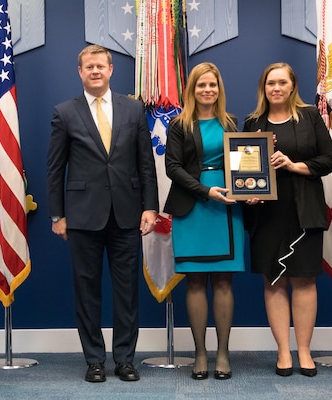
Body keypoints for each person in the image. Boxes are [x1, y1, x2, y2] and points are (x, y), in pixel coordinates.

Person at [47, 45, 158, 383]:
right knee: (87, 290)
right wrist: (57, 215)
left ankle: (125, 359)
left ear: (111, 70)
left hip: (127, 214)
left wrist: (150, 206)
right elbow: (55, 168)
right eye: (88, 66)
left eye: (100, 66)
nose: (95, 71)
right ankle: (94, 360)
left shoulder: (133, 109)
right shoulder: (65, 112)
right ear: (80, 72)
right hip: (82, 216)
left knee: (127, 292)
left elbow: (145, 164)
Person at [243, 62, 332, 377]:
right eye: (271, 83)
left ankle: (305, 352)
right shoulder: (252, 122)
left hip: (303, 209)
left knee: (305, 279)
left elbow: (328, 160)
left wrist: (292, 165)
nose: (277, 88)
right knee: (273, 279)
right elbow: (244, 170)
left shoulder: (309, 116)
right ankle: (284, 352)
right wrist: (248, 193)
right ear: (264, 87)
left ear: (293, 85)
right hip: (266, 213)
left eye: (283, 82)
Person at [164, 62, 245, 381]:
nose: (207, 90)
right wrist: (205, 191)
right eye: (201, 85)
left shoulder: (233, 122)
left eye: (212, 85)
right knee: (195, 281)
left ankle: (223, 354)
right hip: (193, 206)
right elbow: (173, 167)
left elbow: (245, 161)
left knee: (224, 281)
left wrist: (255, 179)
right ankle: (200, 354)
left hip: (227, 208)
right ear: (192, 89)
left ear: (219, 88)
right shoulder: (179, 124)